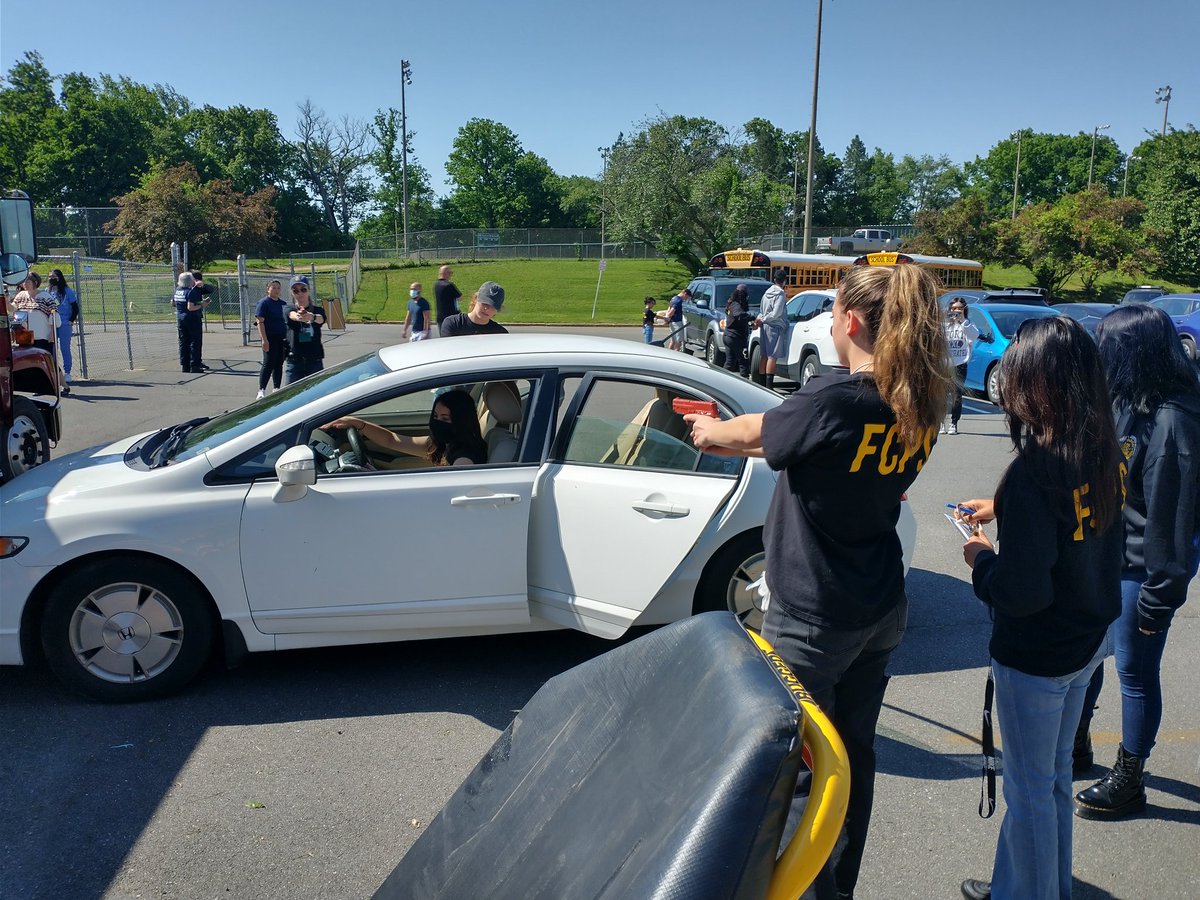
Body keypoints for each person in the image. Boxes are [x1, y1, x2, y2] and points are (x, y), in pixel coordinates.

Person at [685, 262, 952, 900]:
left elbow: (758, 430)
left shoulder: (835, 397)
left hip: (814, 616)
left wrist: (708, 430)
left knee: (802, 772)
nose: (829, 325)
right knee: (852, 758)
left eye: (831, 314)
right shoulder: (915, 400)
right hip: (879, 605)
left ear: (850, 321)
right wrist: (738, 442)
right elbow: (807, 446)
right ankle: (839, 887)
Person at [955, 316, 1124, 900]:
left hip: (1039, 655)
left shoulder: (1038, 471)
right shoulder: (1103, 451)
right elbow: (1074, 525)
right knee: (1050, 781)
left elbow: (1022, 592)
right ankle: (1036, 887)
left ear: (1039, 383)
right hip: (1087, 642)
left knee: (1029, 792)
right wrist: (1003, 506)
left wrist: (981, 558)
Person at [1071, 304, 1200, 820]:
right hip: (1108, 556)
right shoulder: (1129, 400)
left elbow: (1172, 522)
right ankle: (1078, 743)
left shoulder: (1174, 422)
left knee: (1135, 670)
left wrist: (1158, 601)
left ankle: (1130, 777)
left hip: (1143, 569)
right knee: (1088, 655)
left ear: (1134, 353)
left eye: (1108, 346)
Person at [324, 389, 487, 467]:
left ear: (461, 421)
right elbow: (392, 440)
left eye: (445, 419)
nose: (438, 422)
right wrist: (359, 424)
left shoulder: (464, 459)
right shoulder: (445, 444)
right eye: (435, 416)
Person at [942, 297, 980, 434]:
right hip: (944, 364)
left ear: (964, 310)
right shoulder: (943, 324)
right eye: (954, 308)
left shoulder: (967, 324)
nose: (956, 311)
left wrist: (963, 321)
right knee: (942, 394)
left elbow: (974, 336)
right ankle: (941, 422)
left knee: (956, 394)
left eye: (959, 308)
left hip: (960, 363)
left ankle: (954, 423)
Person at [284, 281, 326, 385]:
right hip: (295, 359)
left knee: (317, 390)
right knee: (291, 392)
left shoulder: (318, 310)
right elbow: (291, 314)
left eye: (303, 290)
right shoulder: (288, 308)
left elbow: (321, 319)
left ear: (309, 291)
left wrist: (312, 317)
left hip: (314, 359)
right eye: (296, 291)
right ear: (292, 293)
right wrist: (298, 316)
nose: (300, 293)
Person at [255, 279, 290, 399]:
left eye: (278, 288)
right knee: (268, 363)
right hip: (270, 338)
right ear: (268, 289)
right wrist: (264, 340)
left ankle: (276, 388)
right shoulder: (264, 303)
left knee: (279, 363)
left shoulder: (283, 304)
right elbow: (260, 322)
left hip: (281, 338)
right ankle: (261, 390)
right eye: (273, 287)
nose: (276, 290)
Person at [756, 269, 789, 389]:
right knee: (772, 357)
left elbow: (761, 310)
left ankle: (761, 385)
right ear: (784, 281)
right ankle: (769, 387)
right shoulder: (780, 294)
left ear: (774, 279)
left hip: (764, 326)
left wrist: (761, 319)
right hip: (775, 326)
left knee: (764, 355)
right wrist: (765, 319)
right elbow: (776, 313)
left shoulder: (767, 293)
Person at [47, 269, 79, 391]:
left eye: (54, 276)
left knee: (65, 348)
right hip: (52, 324)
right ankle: (54, 372)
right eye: (50, 276)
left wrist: (71, 320)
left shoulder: (67, 291)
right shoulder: (48, 291)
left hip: (65, 324)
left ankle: (67, 372)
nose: (51, 279)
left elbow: (75, 307)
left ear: (59, 277)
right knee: (51, 348)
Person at [439, 281, 509, 337]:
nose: (487, 308)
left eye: (493, 306)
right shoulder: (453, 323)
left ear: (497, 310)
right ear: (475, 299)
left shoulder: (500, 334)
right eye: (484, 303)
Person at [12, 273, 58, 353]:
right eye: (24, 282)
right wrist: (4, 300)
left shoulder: (45, 296)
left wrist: (52, 333)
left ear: (35, 283)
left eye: (28, 282)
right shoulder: (21, 295)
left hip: (42, 338)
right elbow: (12, 309)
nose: (25, 284)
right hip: (25, 337)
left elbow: (54, 315)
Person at [172, 271, 208, 374]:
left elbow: (173, 303)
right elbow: (191, 307)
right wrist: (202, 305)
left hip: (181, 318)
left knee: (183, 341)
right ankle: (195, 365)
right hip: (192, 318)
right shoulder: (191, 291)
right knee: (195, 342)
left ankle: (185, 365)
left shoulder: (178, 290)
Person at [722, 284, 752, 376]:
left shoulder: (731, 304)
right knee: (743, 361)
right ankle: (745, 381)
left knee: (730, 361)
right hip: (735, 337)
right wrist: (752, 317)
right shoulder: (736, 305)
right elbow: (739, 315)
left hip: (728, 336)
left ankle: (722, 380)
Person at [190, 271, 214, 370]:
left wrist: (202, 285)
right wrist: (201, 304)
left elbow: (210, 289)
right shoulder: (187, 289)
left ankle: (197, 361)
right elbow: (190, 303)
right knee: (192, 342)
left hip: (196, 316)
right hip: (190, 317)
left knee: (197, 342)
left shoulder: (197, 289)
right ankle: (192, 363)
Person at [663, 287, 690, 351]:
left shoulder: (674, 298)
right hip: (677, 322)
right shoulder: (678, 300)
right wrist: (668, 316)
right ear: (685, 294)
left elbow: (669, 308)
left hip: (672, 322)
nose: (686, 299)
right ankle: (676, 353)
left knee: (673, 340)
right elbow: (672, 310)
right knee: (678, 341)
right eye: (687, 297)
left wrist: (667, 316)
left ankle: (668, 353)